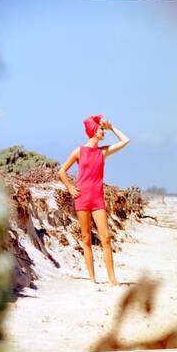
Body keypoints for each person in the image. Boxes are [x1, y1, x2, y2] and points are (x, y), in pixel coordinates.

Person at [58, 115, 131, 286]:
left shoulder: (102, 152)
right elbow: (62, 171)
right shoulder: (78, 151)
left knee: (105, 238)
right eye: (101, 129)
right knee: (86, 239)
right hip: (82, 198)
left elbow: (125, 140)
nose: (103, 131)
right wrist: (70, 187)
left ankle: (112, 279)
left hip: (98, 199)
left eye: (103, 129)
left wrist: (112, 128)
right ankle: (92, 279)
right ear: (92, 131)